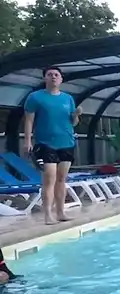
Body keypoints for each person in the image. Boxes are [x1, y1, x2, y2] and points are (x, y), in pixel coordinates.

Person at [23, 66, 82, 225]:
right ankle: (48, 215)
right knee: (49, 178)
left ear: (61, 79)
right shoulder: (35, 97)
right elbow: (29, 120)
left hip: (67, 142)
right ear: (45, 79)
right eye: (50, 75)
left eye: (56, 75)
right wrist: (27, 141)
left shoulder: (68, 98)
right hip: (45, 143)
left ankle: (61, 212)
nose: (53, 77)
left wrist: (76, 115)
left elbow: (73, 123)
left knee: (62, 179)